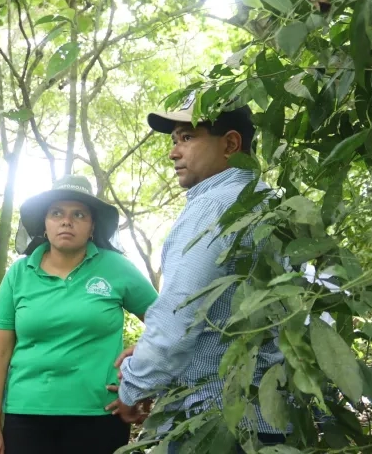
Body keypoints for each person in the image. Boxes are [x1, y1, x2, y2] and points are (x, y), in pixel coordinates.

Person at [110, 92, 287, 452]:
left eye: (187, 138)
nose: (173, 152)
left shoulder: (213, 207)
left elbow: (177, 318)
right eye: (174, 140)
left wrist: (134, 386)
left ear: (230, 144)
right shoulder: (273, 203)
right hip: (269, 415)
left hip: (211, 419)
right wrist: (146, 355)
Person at [0, 175, 159, 454]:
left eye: (79, 214)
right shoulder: (18, 274)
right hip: (27, 416)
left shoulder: (116, 267)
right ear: (45, 224)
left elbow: (167, 324)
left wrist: (142, 371)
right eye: (56, 213)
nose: (66, 221)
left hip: (100, 415)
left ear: (92, 227)